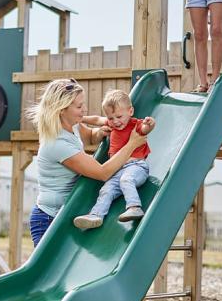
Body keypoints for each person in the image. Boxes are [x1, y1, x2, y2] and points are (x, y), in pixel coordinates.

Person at [26, 79, 148, 247]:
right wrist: (132, 144)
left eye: (83, 104)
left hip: (67, 211)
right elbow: (103, 173)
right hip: (49, 218)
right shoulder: (57, 144)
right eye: (78, 106)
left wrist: (99, 133)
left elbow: (89, 135)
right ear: (62, 109)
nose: (84, 109)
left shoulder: (73, 125)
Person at [74, 89, 155, 230]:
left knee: (126, 180)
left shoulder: (134, 125)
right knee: (106, 190)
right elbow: (97, 120)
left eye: (119, 116)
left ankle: (134, 207)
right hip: (117, 171)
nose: (115, 122)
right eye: (111, 118)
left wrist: (149, 124)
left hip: (136, 167)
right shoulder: (111, 124)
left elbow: (145, 129)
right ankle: (96, 215)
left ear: (130, 111)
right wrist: (81, 119)